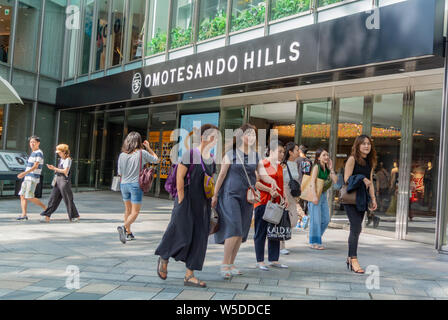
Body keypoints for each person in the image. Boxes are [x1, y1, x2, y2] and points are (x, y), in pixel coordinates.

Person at [212, 124, 281, 279]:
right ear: (240, 136)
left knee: (241, 232)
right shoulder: (230, 154)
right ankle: (224, 264)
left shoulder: (256, 156)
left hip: (248, 197)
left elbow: (262, 175)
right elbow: (222, 175)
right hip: (230, 195)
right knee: (234, 229)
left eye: (254, 135)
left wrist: (272, 182)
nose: (252, 137)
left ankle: (231, 264)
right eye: (248, 134)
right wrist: (215, 195)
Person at [155, 124, 219, 288]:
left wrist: (212, 198)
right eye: (214, 136)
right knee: (180, 232)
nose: (216, 140)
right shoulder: (190, 154)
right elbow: (179, 177)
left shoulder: (211, 158)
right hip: (186, 201)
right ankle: (164, 255)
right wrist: (182, 199)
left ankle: (189, 275)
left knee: (199, 238)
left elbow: (211, 179)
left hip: (202, 204)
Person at [343, 135, 378, 274]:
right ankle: (354, 259)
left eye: (368, 144)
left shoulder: (369, 162)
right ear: (357, 146)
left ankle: (349, 257)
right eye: (363, 144)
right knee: (355, 227)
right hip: (351, 199)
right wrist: (361, 178)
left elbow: (370, 182)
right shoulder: (352, 159)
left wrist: (373, 198)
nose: (366, 146)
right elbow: (346, 179)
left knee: (357, 230)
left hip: (362, 199)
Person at [116, 132, 159, 243]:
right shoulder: (142, 153)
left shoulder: (122, 155)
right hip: (135, 185)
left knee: (128, 210)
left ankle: (129, 233)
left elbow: (119, 173)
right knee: (135, 212)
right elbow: (156, 160)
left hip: (123, 184)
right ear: (138, 142)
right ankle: (123, 226)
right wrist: (149, 148)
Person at [253, 141, 289, 270]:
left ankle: (274, 259)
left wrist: (284, 197)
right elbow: (255, 183)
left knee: (275, 232)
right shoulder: (262, 164)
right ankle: (260, 260)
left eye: (283, 152)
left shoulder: (279, 166)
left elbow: (281, 183)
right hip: (263, 202)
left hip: (276, 203)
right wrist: (269, 190)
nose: (282, 154)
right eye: (279, 151)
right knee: (261, 231)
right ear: (271, 151)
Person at [40, 144, 80, 222]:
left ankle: (75, 216)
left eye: (60, 152)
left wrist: (54, 168)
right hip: (58, 180)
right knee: (53, 198)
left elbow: (65, 171)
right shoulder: (61, 159)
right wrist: (55, 169)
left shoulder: (68, 159)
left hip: (64, 181)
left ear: (64, 152)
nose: (58, 153)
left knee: (68, 199)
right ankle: (47, 215)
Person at [308, 148, 338, 250]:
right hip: (315, 194)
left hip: (323, 195)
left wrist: (331, 168)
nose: (327, 157)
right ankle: (314, 242)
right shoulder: (316, 167)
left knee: (326, 219)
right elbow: (312, 182)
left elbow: (335, 181)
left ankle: (314, 237)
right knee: (315, 220)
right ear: (318, 157)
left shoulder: (327, 168)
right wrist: (314, 196)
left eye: (327, 155)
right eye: (324, 155)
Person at [17, 136, 47, 220]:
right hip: (27, 177)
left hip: (32, 178)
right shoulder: (33, 153)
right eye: (31, 142)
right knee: (22, 195)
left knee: (29, 196)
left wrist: (24, 173)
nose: (32, 144)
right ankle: (24, 215)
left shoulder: (39, 152)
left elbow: (35, 166)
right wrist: (25, 174)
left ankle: (46, 208)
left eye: (34, 142)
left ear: (38, 143)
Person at [280, 142, 301, 255]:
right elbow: (282, 181)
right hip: (285, 192)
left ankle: (281, 241)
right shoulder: (284, 164)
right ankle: (281, 244)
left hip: (292, 194)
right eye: (296, 150)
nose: (298, 152)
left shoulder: (295, 163)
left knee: (293, 220)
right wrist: (283, 195)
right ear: (290, 152)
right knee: (284, 219)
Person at [296, 144, 312, 229]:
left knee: (296, 203)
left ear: (300, 151)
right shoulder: (309, 161)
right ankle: (299, 222)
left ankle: (303, 216)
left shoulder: (297, 160)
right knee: (303, 204)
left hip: (298, 184)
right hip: (306, 184)